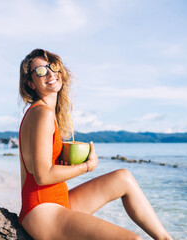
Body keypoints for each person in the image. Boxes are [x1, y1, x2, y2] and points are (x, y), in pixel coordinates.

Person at [18, 48, 173, 240]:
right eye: (40, 71)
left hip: (58, 201)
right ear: (30, 84)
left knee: (123, 178)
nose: (50, 73)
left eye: (53, 66)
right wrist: (86, 167)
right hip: (42, 211)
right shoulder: (42, 113)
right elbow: (42, 176)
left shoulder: (43, 113)